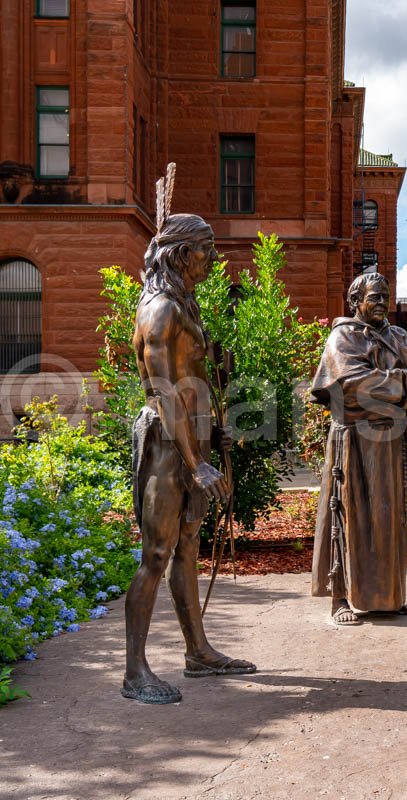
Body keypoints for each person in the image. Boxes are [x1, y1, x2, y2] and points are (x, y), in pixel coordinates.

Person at [125, 212, 256, 704]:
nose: (214, 259)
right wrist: (193, 459)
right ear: (181, 254)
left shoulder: (186, 304)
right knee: (157, 553)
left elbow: (190, 382)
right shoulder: (160, 310)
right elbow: (161, 390)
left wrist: (210, 434)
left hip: (190, 439)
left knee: (186, 547)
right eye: (207, 248)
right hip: (165, 442)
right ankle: (134, 671)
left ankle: (197, 651)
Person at [310, 272, 407, 625]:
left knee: (387, 518)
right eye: (375, 297)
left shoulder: (399, 337)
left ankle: (387, 596)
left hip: (389, 440)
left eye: (385, 297)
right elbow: (349, 384)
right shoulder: (343, 336)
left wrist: (388, 384)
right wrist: (399, 382)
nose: (382, 303)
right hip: (354, 439)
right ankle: (340, 598)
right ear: (355, 302)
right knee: (347, 515)